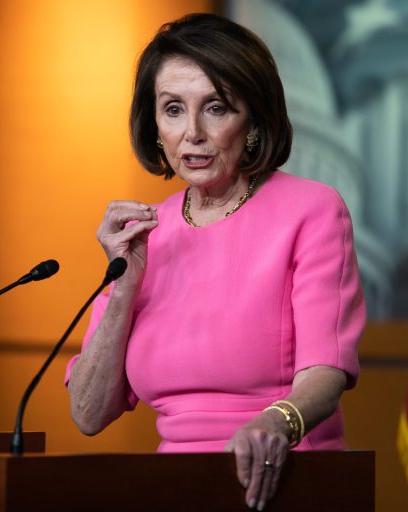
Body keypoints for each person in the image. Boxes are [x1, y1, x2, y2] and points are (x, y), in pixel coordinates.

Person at [65, 13, 365, 511]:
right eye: (174, 110)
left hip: (288, 478)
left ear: (253, 119)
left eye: (217, 108)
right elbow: (89, 413)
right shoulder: (143, 234)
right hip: (178, 488)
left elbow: (325, 373)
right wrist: (124, 286)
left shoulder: (312, 210)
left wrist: (276, 423)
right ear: (154, 122)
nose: (194, 133)